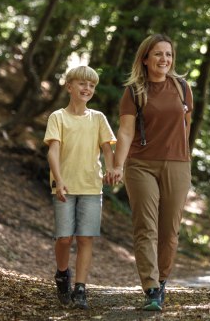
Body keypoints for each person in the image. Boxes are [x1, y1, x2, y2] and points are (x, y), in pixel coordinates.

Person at [109, 34, 193, 312]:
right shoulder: (134, 91)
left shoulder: (182, 88)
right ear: (145, 59)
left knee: (170, 231)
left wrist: (181, 156)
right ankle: (151, 288)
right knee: (146, 227)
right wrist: (117, 165)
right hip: (141, 164)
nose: (164, 59)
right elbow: (125, 131)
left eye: (168, 54)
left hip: (177, 164)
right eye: (158, 54)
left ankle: (163, 278)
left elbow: (186, 126)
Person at [43, 65, 116, 309]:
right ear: (69, 86)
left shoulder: (98, 118)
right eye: (83, 84)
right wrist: (59, 179)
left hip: (91, 187)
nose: (87, 89)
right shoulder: (58, 117)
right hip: (64, 186)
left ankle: (81, 288)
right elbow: (53, 151)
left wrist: (112, 168)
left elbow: (107, 149)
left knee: (86, 238)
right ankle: (63, 274)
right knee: (64, 238)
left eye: (92, 86)